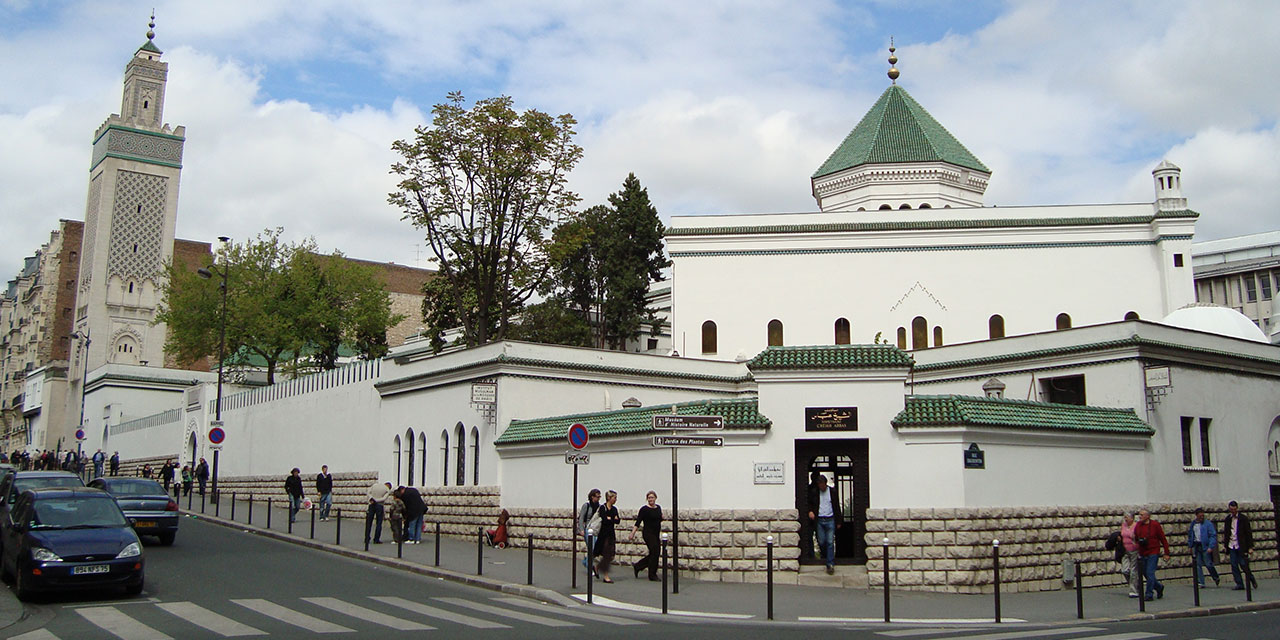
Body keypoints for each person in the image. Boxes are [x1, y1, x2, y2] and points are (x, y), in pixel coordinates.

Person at [807, 474, 843, 575]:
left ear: (825, 483)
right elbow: (809, 503)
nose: (821, 486)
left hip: (830, 519)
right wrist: (810, 511)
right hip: (819, 520)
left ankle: (830, 563)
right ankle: (825, 555)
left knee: (830, 541)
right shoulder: (815, 492)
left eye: (822, 484)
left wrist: (839, 521)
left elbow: (836, 506)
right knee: (821, 541)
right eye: (819, 484)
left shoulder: (832, 492)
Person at [1135, 508, 1170, 600]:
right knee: (1145, 573)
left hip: (1153, 552)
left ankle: (1149, 594)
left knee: (1150, 572)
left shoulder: (1155, 525)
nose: (1140, 516)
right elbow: (1136, 537)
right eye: (1139, 514)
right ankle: (1159, 587)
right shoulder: (1138, 525)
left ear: (1148, 516)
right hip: (1142, 552)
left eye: (1142, 515)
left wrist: (1166, 552)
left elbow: (1163, 539)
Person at [1222, 500, 1257, 591]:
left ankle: (1251, 578)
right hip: (1232, 545)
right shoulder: (1228, 519)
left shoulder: (1243, 519)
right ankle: (1239, 583)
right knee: (1234, 565)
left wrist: (1250, 547)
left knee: (1243, 564)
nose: (1233, 511)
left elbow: (1248, 533)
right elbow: (1226, 533)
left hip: (1241, 545)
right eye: (1231, 509)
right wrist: (1225, 545)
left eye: (1234, 509)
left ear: (1237, 509)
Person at [630, 490, 662, 581]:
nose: (650, 499)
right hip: (648, 533)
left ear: (655, 498)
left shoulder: (658, 508)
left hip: (656, 533)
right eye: (649, 498)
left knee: (656, 553)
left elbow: (659, 518)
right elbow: (638, 522)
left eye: (652, 497)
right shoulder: (644, 509)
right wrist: (633, 533)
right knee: (654, 551)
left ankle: (638, 566)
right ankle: (652, 574)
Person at [1187, 507, 1220, 588]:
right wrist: (1190, 546)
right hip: (1196, 545)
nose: (1201, 517)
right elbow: (1191, 535)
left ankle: (1215, 577)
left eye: (1202, 516)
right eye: (1200, 516)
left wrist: (1211, 546)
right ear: (1196, 516)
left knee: (1208, 564)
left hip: (1205, 546)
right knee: (1198, 564)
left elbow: (1212, 535)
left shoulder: (1208, 524)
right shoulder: (1193, 524)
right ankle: (1201, 582)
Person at [593, 490, 621, 583]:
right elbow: (604, 520)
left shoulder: (614, 509)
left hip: (611, 534)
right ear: (609, 498)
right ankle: (606, 576)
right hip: (603, 535)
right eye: (614, 498)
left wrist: (610, 519)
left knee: (611, 555)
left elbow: (618, 521)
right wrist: (612, 519)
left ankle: (597, 567)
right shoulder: (603, 508)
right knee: (606, 555)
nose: (616, 499)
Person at [577, 488, 602, 572]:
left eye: (599, 497)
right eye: (597, 497)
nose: (598, 499)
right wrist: (581, 529)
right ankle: (589, 567)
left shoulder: (599, 507)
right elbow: (581, 518)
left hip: (595, 529)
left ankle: (586, 561)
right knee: (592, 547)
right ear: (592, 497)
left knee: (594, 549)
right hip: (587, 529)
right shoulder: (586, 506)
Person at [365, 480, 391, 544]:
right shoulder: (387, 489)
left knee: (369, 522)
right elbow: (384, 498)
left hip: (371, 504)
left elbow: (368, 492)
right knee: (379, 523)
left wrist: (371, 498)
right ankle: (376, 539)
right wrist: (376, 500)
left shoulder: (375, 485)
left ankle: (367, 538)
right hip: (379, 505)